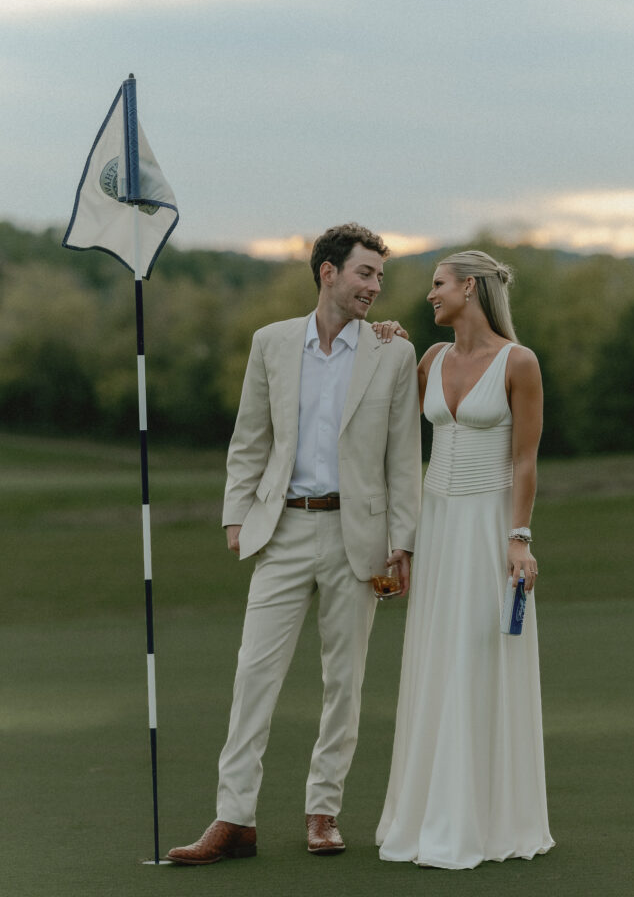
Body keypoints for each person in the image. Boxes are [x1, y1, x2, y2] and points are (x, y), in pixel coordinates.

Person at [168, 224, 421, 865]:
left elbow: (403, 458)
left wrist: (404, 542)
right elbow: (249, 436)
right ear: (328, 273)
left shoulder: (392, 352)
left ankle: (322, 813)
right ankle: (234, 820)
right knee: (253, 674)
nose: (374, 287)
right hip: (279, 531)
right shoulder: (272, 343)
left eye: (380, 278)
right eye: (364, 273)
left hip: (356, 536)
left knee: (345, 681)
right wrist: (235, 514)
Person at [375, 250, 555, 869]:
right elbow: (395, 425)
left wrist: (520, 537)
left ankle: (484, 818)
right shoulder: (430, 358)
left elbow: (525, 459)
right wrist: (390, 343)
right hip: (439, 523)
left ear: (469, 288)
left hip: (488, 525)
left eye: (438, 285)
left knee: (480, 655)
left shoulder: (519, 362)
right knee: (436, 656)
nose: (430, 296)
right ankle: (427, 812)